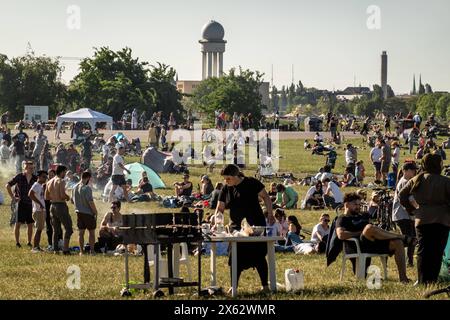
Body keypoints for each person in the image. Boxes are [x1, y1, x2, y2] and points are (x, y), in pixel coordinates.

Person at [215, 164, 275, 293]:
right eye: (225, 179)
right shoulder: (226, 189)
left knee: (259, 256)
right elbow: (220, 208)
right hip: (236, 229)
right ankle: (234, 287)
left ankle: (265, 286)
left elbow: (266, 198)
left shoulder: (251, 183)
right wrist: (216, 219)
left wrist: (270, 214)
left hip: (255, 226)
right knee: (234, 256)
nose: (226, 181)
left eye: (228, 178)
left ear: (236, 176)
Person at [336, 192, 411, 282]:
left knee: (398, 243)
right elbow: (341, 235)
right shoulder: (342, 218)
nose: (358, 207)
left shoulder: (363, 216)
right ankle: (402, 237)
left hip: (373, 243)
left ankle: (403, 278)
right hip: (358, 245)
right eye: (355, 204)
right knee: (369, 228)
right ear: (346, 204)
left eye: (359, 204)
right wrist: (360, 232)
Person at [399, 154, 450, 284]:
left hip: (421, 219)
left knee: (423, 250)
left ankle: (422, 279)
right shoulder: (445, 181)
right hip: (442, 219)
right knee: (437, 251)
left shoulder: (417, 179)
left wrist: (413, 210)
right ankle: (432, 279)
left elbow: (402, 195)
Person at [6, 161, 37, 248]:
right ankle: (17, 242)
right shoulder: (19, 176)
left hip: (31, 204)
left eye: (32, 168)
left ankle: (29, 242)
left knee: (30, 224)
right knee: (18, 223)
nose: (32, 169)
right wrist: (13, 197)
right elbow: (8, 185)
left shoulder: (35, 178)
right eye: (30, 168)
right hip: (20, 203)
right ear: (25, 168)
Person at [392, 162, 418, 267]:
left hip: (405, 215)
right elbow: (410, 199)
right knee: (409, 239)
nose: (414, 172)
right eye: (412, 170)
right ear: (406, 171)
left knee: (411, 239)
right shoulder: (405, 182)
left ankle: (409, 261)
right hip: (402, 215)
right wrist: (418, 208)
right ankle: (405, 260)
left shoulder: (406, 181)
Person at [45, 165, 72, 255]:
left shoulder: (49, 182)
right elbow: (62, 195)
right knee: (68, 228)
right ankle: (65, 249)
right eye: (64, 172)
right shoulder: (61, 181)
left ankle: (55, 249)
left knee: (56, 230)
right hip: (61, 205)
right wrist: (68, 197)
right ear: (61, 172)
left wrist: (54, 197)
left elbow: (46, 196)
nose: (65, 174)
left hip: (52, 206)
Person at [72, 171, 98, 255]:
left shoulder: (74, 187)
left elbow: (72, 201)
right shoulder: (87, 188)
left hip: (79, 212)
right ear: (88, 178)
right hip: (88, 213)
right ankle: (92, 251)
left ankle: (81, 251)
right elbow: (90, 202)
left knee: (81, 233)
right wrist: (95, 211)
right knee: (91, 233)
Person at [28, 170, 48, 253]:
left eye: (46, 177)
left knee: (39, 229)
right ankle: (35, 248)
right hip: (38, 210)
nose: (45, 178)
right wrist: (39, 203)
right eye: (43, 177)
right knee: (38, 229)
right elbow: (30, 194)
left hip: (41, 210)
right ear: (38, 177)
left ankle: (37, 247)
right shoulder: (36, 185)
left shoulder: (40, 185)